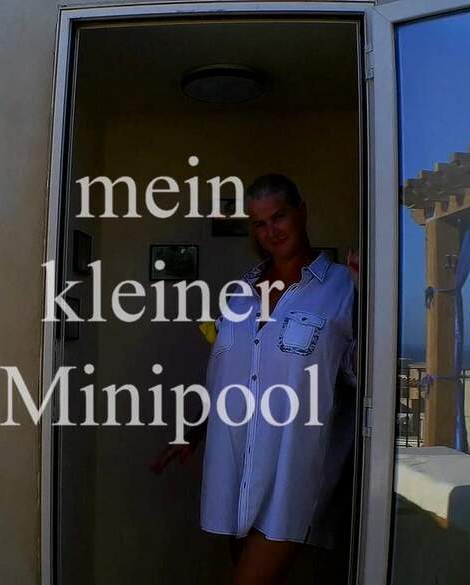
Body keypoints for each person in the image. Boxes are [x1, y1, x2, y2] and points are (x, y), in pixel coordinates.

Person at [151, 174, 358, 584]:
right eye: (259, 223)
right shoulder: (241, 293)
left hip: (292, 474)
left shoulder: (342, 287)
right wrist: (193, 432)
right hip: (237, 470)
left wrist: (371, 297)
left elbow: (365, 371)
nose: (271, 231)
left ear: (301, 212)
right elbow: (231, 378)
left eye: (278, 216)